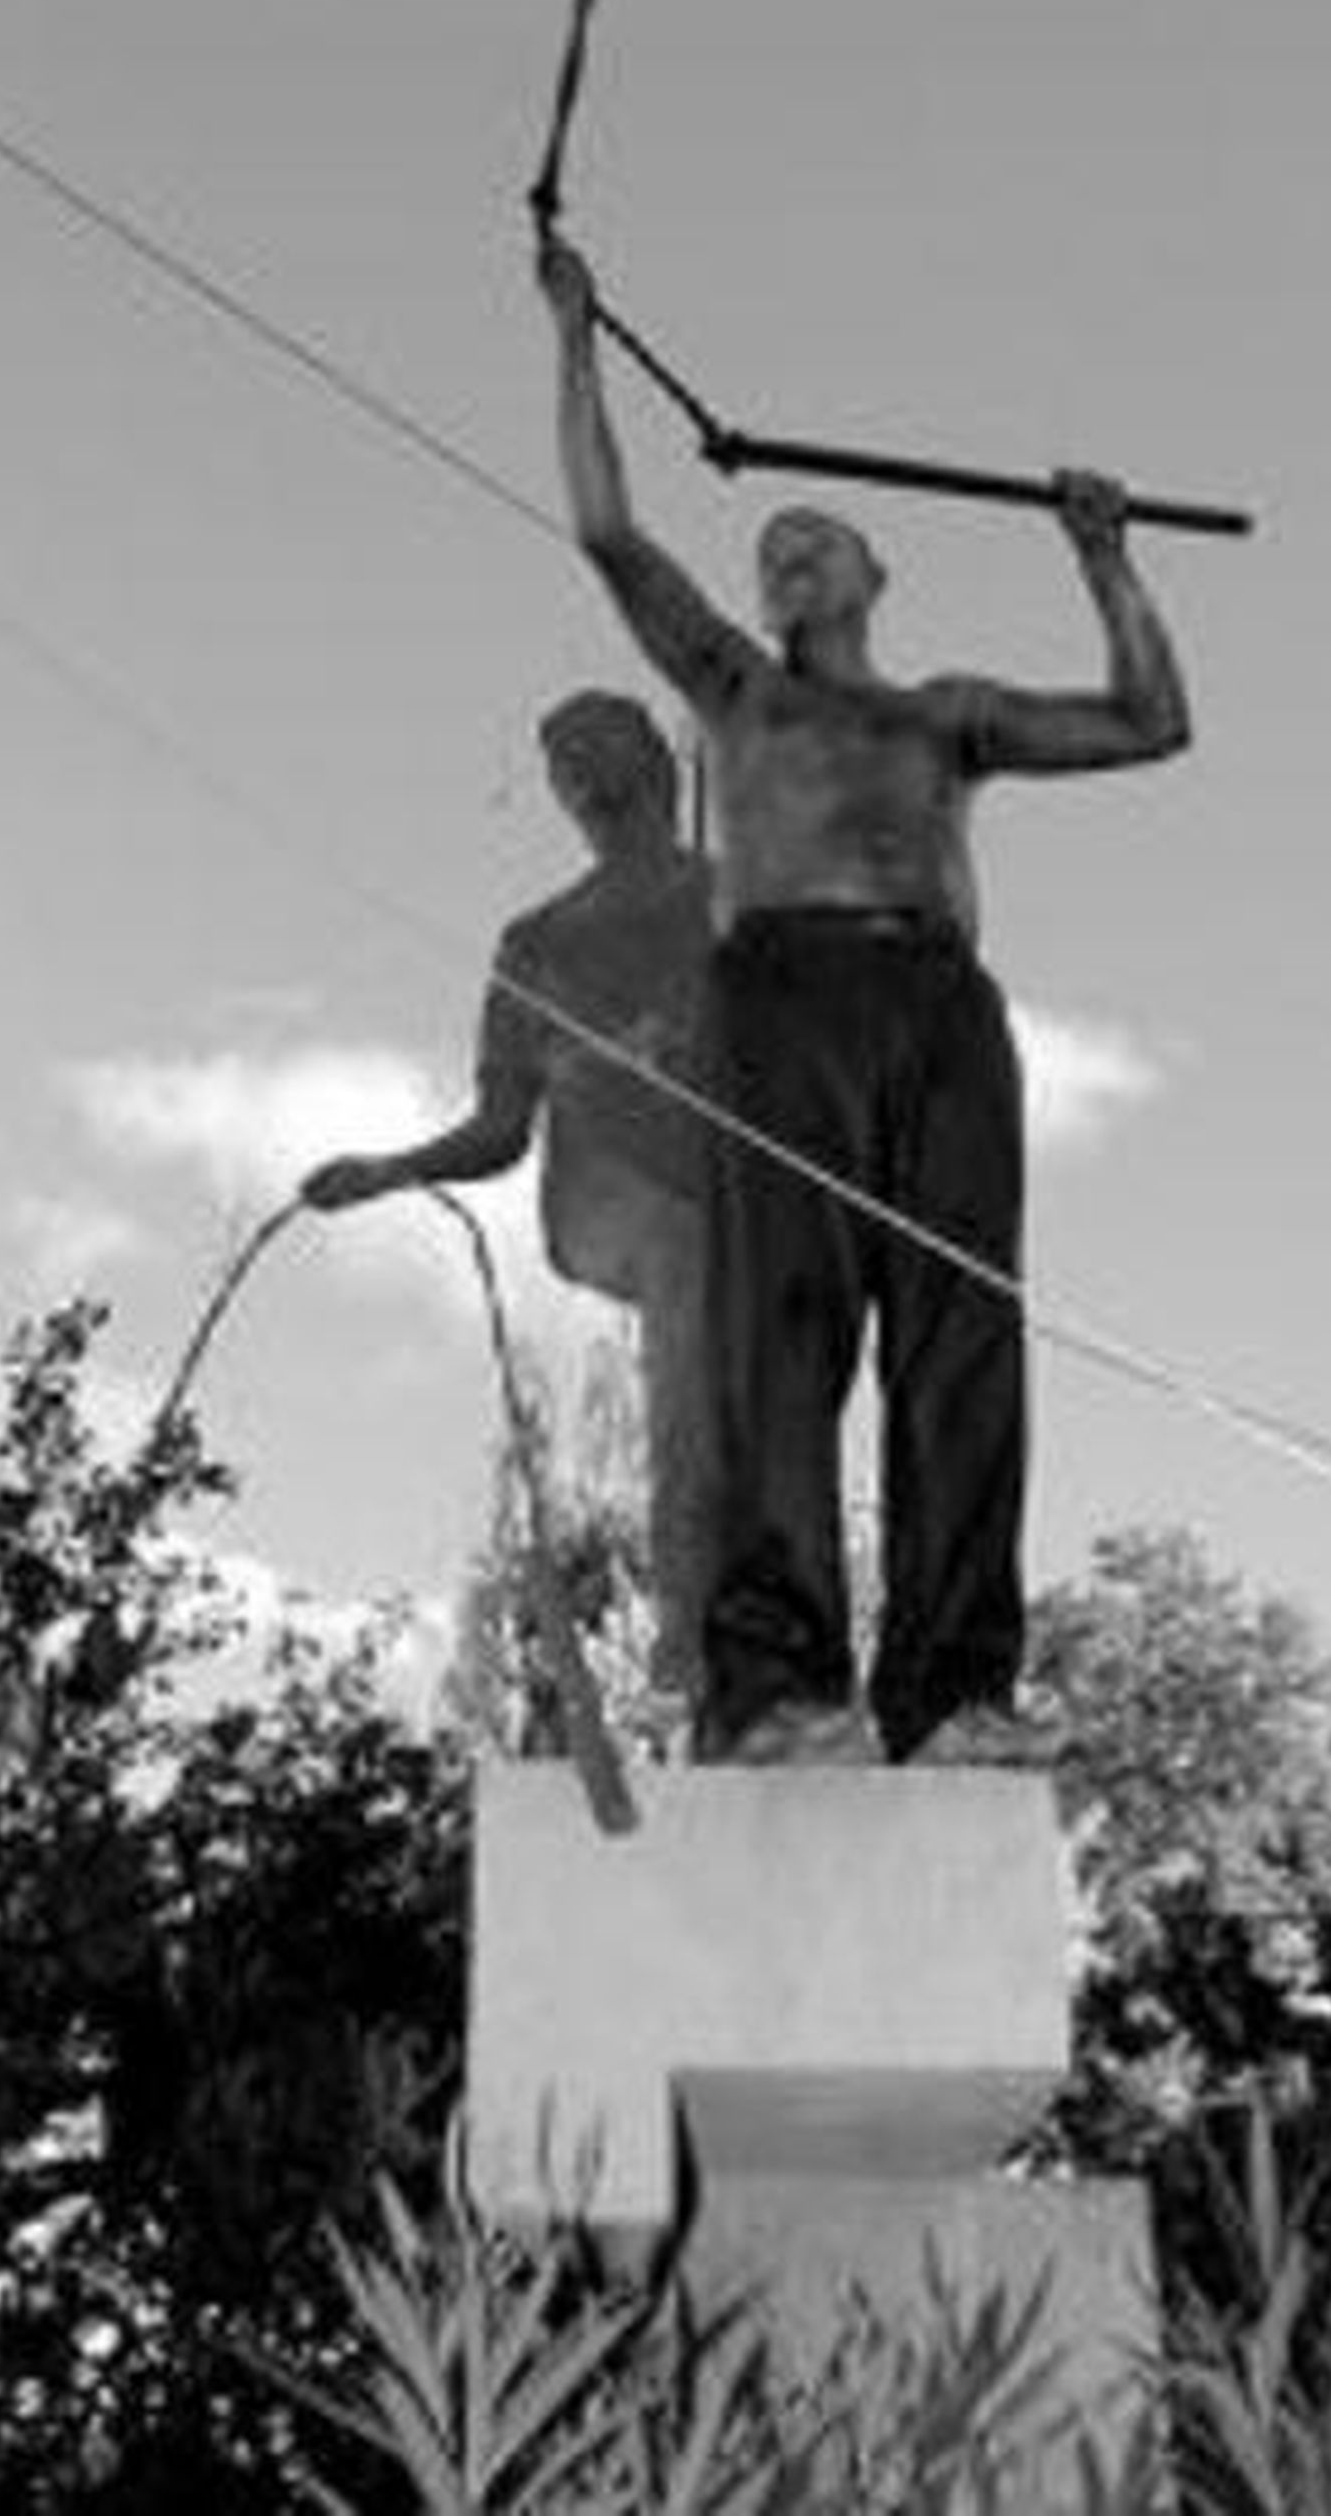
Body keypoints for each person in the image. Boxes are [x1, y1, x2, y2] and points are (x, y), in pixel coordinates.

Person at [536, 232, 1192, 1769]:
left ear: (877, 574)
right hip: (782, 997)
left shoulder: (943, 712)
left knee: (961, 1334)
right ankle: (776, 1689)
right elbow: (611, 534)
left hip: (940, 1005)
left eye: (814, 540)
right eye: (770, 550)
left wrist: (1106, 556)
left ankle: (957, 1689)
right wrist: (576, 339)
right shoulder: (736, 691)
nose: (784, 559)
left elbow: (1154, 720)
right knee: (781, 1334)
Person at [302, 688, 717, 1699]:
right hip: (616, 1202)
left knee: (756, 1385)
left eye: (598, 742)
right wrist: (390, 1170)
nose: (578, 766)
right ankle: (692, 1630)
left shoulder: (736, 896)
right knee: (689, 1308)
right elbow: (498, 1130)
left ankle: (769, 1633)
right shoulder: (536, 940)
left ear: (657, 761)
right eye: (561, 757)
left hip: (750, 1197)